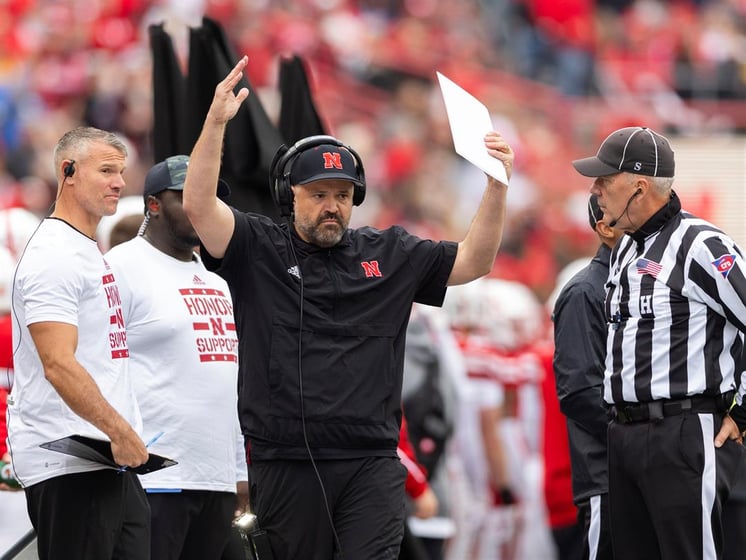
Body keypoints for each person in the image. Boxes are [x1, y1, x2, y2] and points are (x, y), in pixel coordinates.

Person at [181, 55, 514, 560]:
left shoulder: (391, 253)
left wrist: (495, 187)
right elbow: (200, 206)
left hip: (371, 461)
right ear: (289, 195)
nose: (331, 205)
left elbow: (474, 261)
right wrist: (215, 125)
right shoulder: (258, 247)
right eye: (318, 194)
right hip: (284, 461)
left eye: (342, 194)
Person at [573, 125, 746, 559]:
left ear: (639, 186)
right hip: (625, 433)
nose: (595, 190)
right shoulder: (627, 248)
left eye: (604, 180)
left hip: (683, 431)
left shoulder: (702, 245)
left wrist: (743, 411)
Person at [7, 126, 150, 559]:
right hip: (69, 458)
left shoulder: (84, 249)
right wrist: (120, 430)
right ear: (68, 172)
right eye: (106, 170)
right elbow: (57, 363)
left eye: (122, 171)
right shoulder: (55, 254)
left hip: (105, 458)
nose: (120, 183)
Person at [105, 155, 249, 560]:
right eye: (187, 196)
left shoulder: (217, 282)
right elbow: (100, 365)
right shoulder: (120, 268)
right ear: (153, 204)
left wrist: (238, 471)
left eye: (209, 198)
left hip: (216, 478)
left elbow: (228, 381)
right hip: (153, 477)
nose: (201, 207)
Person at [551, 194, 623, 560]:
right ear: (606, 228)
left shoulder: (644, 283)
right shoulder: (585, 292)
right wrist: (640, 435)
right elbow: (579, 391)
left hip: (649, 473)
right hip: (607, 477)